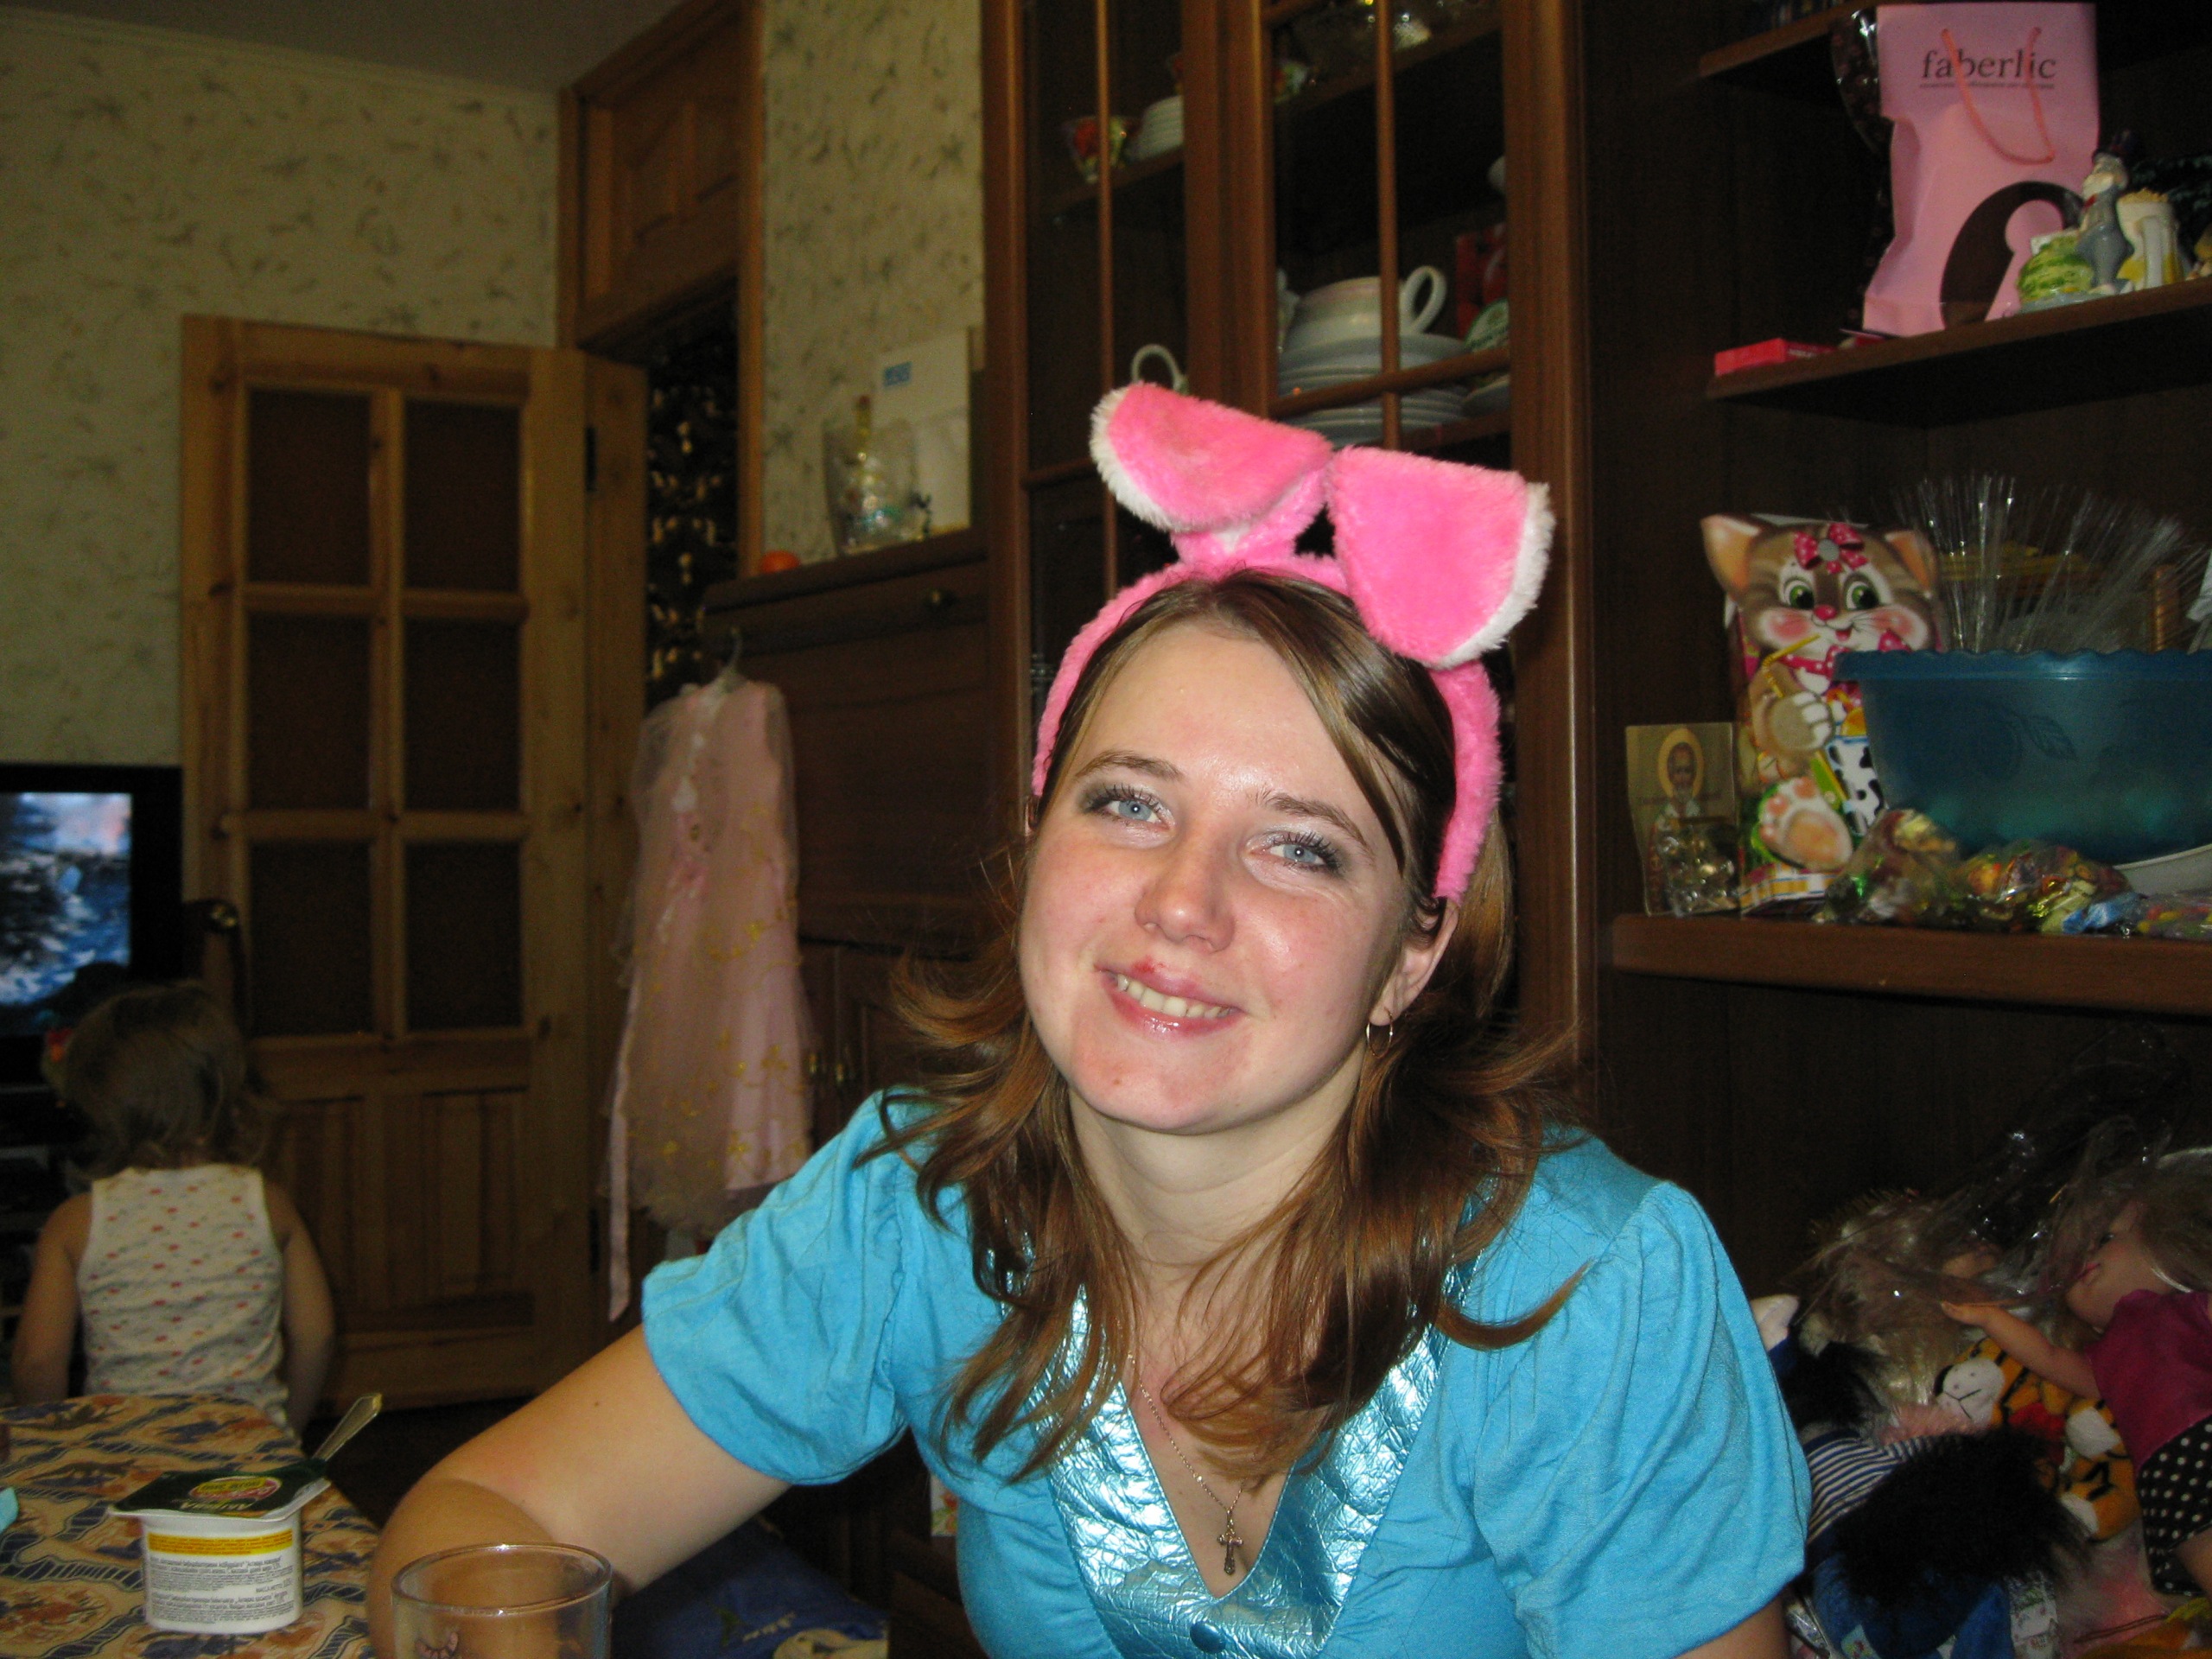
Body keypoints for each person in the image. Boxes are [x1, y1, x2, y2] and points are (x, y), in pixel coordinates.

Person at [368, 387, 1808, 1658]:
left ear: (1411, 954)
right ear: (1036, 841)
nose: (1181, 902)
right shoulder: (918, 1205)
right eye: (1127, 803)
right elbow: (486, 1516)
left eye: (1299, 847)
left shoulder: (1592, 1293)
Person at [10, 982, 336, 1435]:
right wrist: (286, 1433)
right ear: (224, 1091)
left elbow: (37, 1361)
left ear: (100, 1102)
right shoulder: (265, 1203)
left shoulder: (76, 1223)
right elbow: (316, 1336)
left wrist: (53, 1444)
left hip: (129, 1453)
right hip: (248, 1452)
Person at [1942, 1155, 2212, 1600]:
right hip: (2165, 1476)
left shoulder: (2189, 1310)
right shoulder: (2105, 1359)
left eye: (2106, 1239)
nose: (2085, 1261)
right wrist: (1990, 1318)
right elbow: (2048, 1357)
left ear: (2169, 1240)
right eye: (2066, 1269)